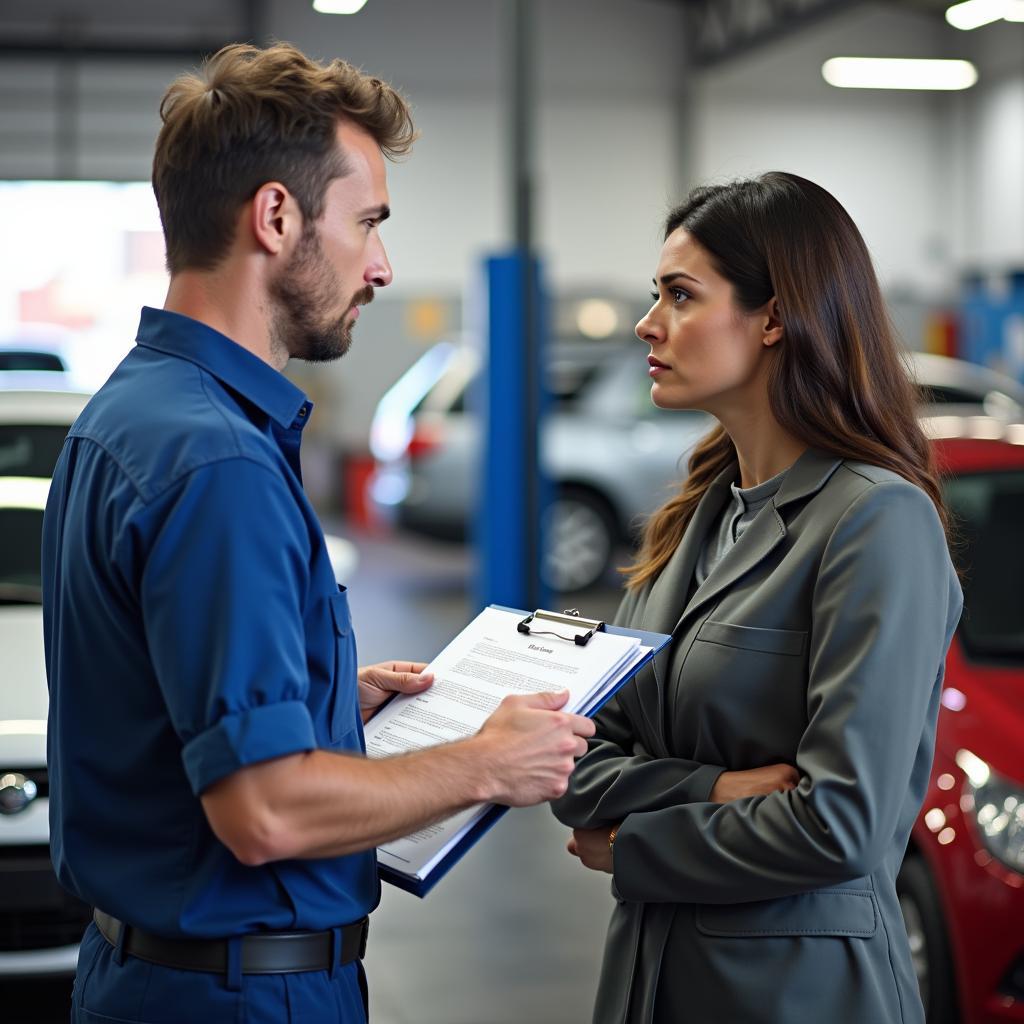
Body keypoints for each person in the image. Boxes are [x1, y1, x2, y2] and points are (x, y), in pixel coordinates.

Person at [41, 42, 595, 1024]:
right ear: (276, 216)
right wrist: (484, 762)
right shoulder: (216, 460)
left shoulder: (131, 413)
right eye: (368, 223)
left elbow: (155, 700)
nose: (381, 267)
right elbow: (265, 811)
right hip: (243, 993)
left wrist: (328, 702)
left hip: (151, 975)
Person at [550, 172, 963, 1024]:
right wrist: (717, 791)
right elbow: (580, 766)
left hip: (798, 993)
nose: (647, 323)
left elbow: (840, 823)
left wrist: (637, 843)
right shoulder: (693, 521)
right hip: (652, 979)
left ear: (774, 316)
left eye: (680, 296)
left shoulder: (875, 520)